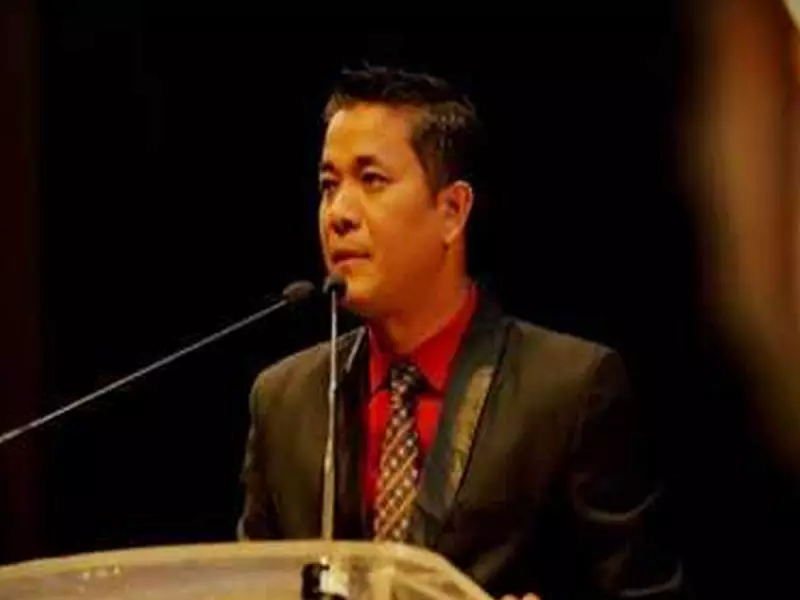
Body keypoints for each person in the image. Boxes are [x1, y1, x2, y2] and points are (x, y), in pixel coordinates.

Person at [238, 64, 683, 599]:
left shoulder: (570, 389)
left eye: (371, 180)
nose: (338, 213)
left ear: (451, 210)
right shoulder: (283, 402)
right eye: (328, 185)